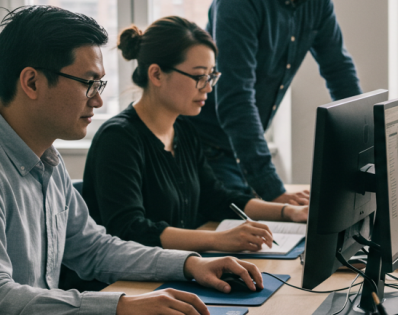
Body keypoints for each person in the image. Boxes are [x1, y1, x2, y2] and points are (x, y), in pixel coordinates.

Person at [0, 6, 263, 315]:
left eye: (99, 84)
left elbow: (95, 249)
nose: (99, 100)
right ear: (32, 82)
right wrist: (120, 307)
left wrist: (191, 264)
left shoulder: (46, 162)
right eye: (89, 83)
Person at [82, 16, 308, 257]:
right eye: (199, 76)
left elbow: (217, 198)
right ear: (156, 74)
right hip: (125, 283)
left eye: (212, 76)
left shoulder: (184, 130)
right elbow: (130, 230)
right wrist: (220, 240)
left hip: (175, 268)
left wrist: (288, 212)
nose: (208, 87)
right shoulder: (118, 139)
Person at [190, 0, 362, 205]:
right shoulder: (240, 0)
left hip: (239, 147)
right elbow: (236, 100)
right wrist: (274, 190)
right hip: (203, 148)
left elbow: (339, 71)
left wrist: (368, 147)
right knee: (250, 232)